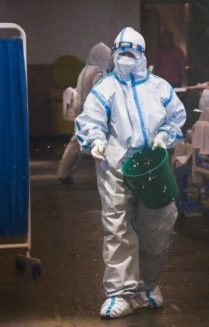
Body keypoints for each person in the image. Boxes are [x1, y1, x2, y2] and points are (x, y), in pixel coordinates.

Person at [75, 27, 186, 319]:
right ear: (113, 54)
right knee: (118, 228)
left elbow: (176, 118)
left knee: (158, 226)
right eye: (120, 53)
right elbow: (90, 120)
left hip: (153, 165)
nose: (125, 59)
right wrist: (96, 141)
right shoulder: (105, 88)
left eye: (131, 53)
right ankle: (119, 293)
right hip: (115, 164)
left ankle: (146, 286)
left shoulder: (160, 88)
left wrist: (165, 136)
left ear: (141, 55)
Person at [56, 43, 112, 184]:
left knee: (75, 143)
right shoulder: (98, 71)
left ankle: (63, 173)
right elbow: (100, 93)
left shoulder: (85, 70)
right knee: (105, 143)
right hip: (93, 114)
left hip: (82, 112)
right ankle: (109, 177)